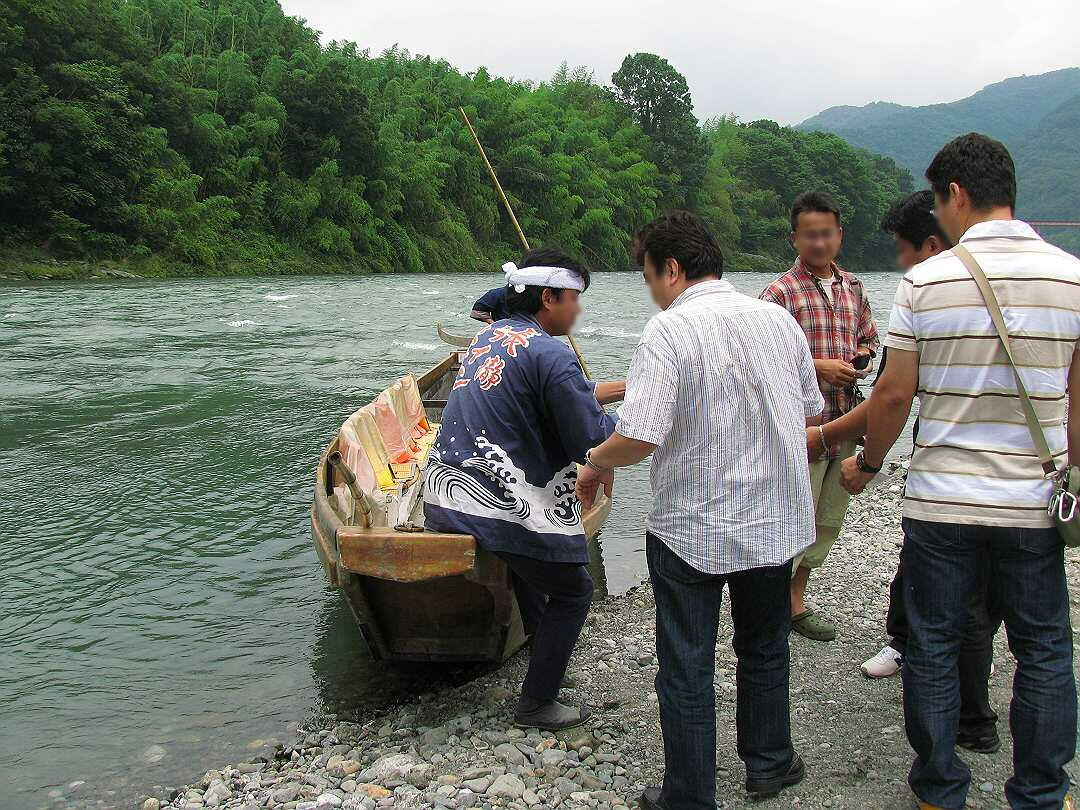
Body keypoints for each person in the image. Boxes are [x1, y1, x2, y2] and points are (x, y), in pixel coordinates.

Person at [840, 133, 1080, 810]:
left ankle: (940, 788)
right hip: (1033, 502)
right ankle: (1040, 792)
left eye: (939, 202)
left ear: (957, 194)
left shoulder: (925, 282)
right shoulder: (1071, 276)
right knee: (1043, 649)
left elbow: (894, 394)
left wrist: (870, 463)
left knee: (935, 645)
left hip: (941, 501)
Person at [576, 211, 824, 809]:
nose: (653, 292)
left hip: (693, 526)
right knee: (764, 647)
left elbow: (638, 437)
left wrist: (595, 460)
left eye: (649, 278)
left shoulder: (668, 330)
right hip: (773, 520)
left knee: (687, 664)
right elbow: (810, 408)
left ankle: (689, 795)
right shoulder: (778, 320)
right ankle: (769, 764)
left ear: (672, 269)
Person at [808, 190, 1003, 755]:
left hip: (950, 478)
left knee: (953, 602)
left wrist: (856, 454)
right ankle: (1027, 764)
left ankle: (957, 734)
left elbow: (892, 394)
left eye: (902, 249)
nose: (899, 261)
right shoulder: (1053, 277)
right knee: (1022, 619)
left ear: (932, 244)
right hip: (1029, 481)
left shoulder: (925, 290)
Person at [424, 247, 623, 731]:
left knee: (534, 572)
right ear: (549, 298)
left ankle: (544, 662)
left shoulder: (487, 337)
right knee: (575, 590)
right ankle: (536, 703)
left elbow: (492, 302)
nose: (578, 309)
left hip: (444, 496)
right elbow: (589, 438)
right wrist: (627, 425)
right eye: (574, 298)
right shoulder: (551, 354)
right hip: (495, 503)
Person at [760, 191, 880, 642]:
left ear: (839, 235)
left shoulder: (853, 287)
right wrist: (817, 367)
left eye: (826, 233)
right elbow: (758, 359)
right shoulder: (779, 293)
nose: (819, 242)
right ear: (794, 238)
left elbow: (868, 338)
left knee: (827, 518)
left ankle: (796, 600)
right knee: (794, 514)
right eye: (809, 234)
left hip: (845, 419)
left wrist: (862, 358)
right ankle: (772, 606)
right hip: (799, 428)